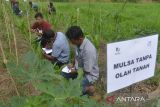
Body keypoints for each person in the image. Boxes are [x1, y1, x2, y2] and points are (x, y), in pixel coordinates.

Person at [65, 26, 99, 96]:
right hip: (79, 69)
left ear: (79, 38)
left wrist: (74, 70)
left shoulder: (89, 50)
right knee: (64, 75)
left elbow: (87, 70)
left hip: (89, 76)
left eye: (71, 40)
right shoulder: (79, 43)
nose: (70, 42)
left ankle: (89, 89)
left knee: (75, 89)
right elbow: (77, 56)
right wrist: (73, 64)